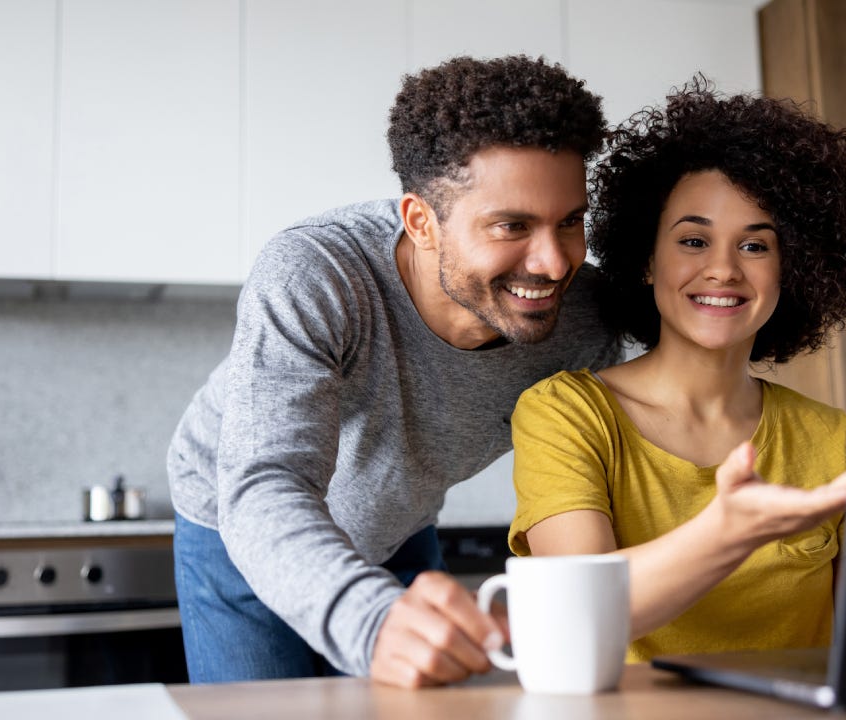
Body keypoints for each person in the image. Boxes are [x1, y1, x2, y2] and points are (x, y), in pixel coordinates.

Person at [167, 55, 621, 688]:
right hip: (241, 529)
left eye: (570, 221)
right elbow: (265, 480)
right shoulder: (317, 274)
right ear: (420, 221)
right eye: (511, 226)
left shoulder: (587, 317)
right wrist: (371, 622)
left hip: (399, 524)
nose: (552, 263)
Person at [507, 78, 846, 663]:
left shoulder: (829, 437)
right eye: (693, 240)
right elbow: (578, 614)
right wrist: (730, 530)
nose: (723, 270)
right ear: (646, 260)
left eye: (755, 247)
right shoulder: (564, 415)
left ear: (796, 269)